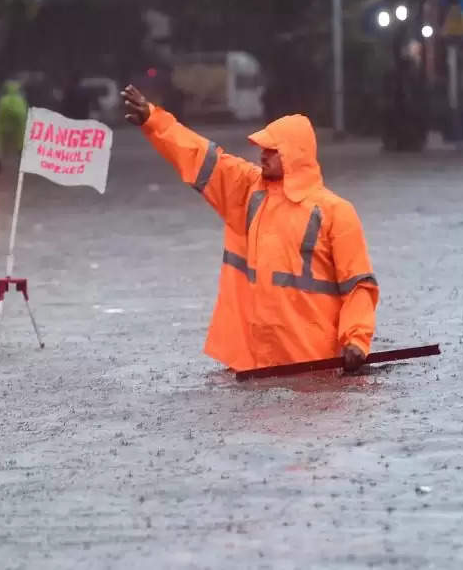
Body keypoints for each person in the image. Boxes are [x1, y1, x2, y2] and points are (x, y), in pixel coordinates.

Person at [122, 84, 378, 373]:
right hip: (256, 364)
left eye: (272, 150)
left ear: (295, 154)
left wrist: (356, 340)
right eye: (263, 149)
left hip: (314, 365)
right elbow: (201, 157)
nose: (263, 155)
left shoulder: (336, 212)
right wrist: (153, 120)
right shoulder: (249, 190)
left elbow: (358, 284)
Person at [0, 80, 27, 159]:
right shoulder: (21, 100)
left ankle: (1, 150)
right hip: (18, 124)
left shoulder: (3, 100)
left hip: (5, 125)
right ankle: (20, 149)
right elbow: (24, 114)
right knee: (21, 133)